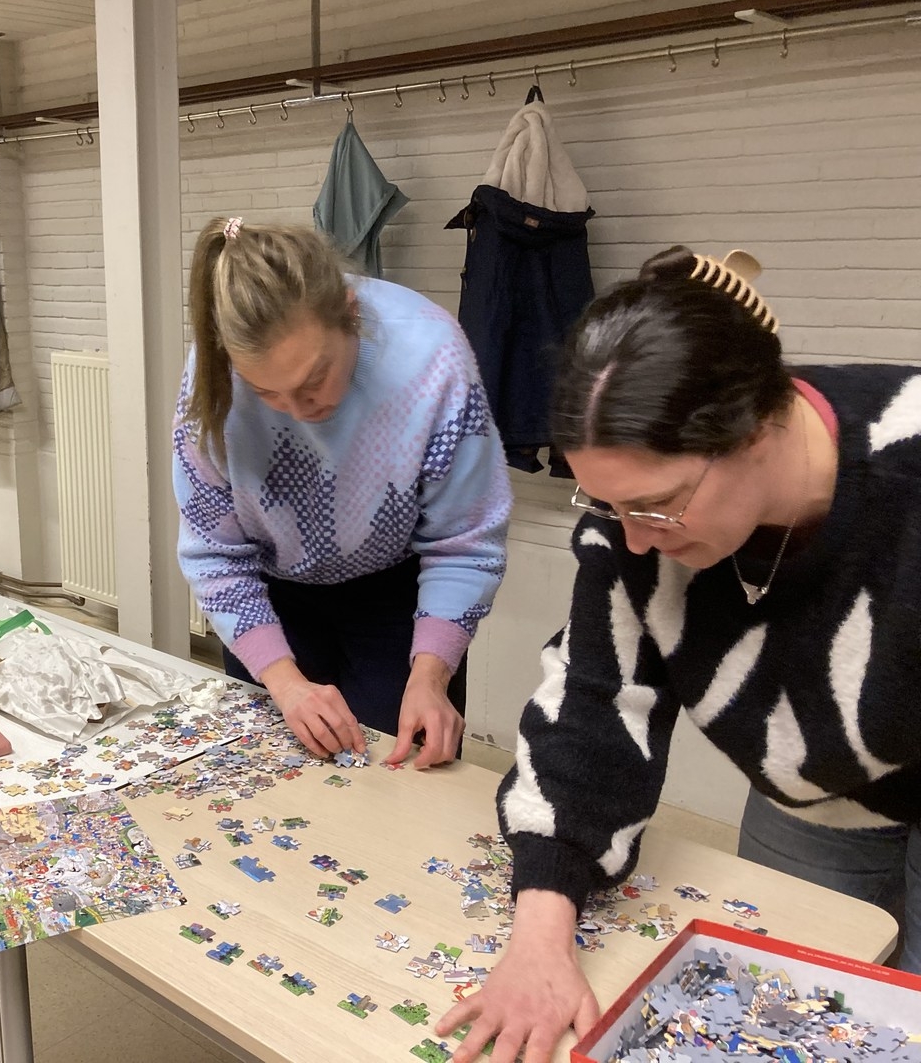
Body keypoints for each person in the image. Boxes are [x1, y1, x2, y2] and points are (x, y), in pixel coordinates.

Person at [438, 247, 921, 1062]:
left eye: (657, 506)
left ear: (759, 429)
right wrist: (540, 936)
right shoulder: (631, 525)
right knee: (788, 1011)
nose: (632, 540)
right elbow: (593, 702)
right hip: (819, 789)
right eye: (607, 504)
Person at [173, 216, 511, 767]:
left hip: (397, 594)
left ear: (351, 316)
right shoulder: (213, 375)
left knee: (397, 774)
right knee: (273, 770)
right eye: (266, 393)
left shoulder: (434, 356)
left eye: (313, 380)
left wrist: (431, 677)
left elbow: (467, 542)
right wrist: (286, 685)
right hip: (270, 595)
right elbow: (214, 555)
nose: (297, 410)